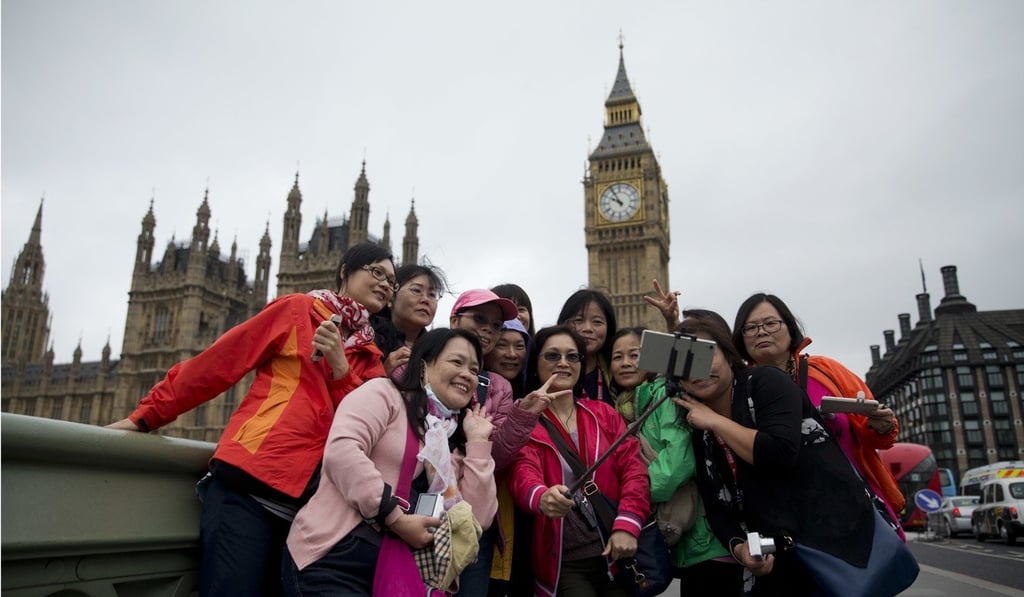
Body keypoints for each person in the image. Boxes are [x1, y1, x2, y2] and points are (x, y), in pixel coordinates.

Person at [106, 242, 395, 597]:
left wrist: (339, 367)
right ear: (344, 272)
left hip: (308, 514)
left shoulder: (371, 358)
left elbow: (366, 432)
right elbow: (218, 363)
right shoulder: (297, 311)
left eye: (391, 281)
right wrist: (145, 417)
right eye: (376, 272)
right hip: (249, 489)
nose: (384, 284)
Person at [282, 328, 498, 595]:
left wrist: (477, 443)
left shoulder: (453, 440)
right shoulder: (384, 394)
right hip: (336, 557)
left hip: (399, 574)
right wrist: (394, 517)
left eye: (474, 369)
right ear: (423, 367)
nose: (468, 374)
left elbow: (478, 518)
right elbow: (343, 450)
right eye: (456, 362)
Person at [675, 311, 877, 596]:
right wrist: (739, 546)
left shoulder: (764, 383)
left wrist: (716, 421)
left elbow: (780, 452)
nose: (696, 371)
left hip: (827, 540)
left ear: (727, 352)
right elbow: (714, 501)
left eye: (706, 355)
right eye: (686, 364)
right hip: (772, 556)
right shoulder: (697, 422)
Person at [732, 293, 905, 538]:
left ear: (790, 328)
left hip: (851, 507)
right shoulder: (737, 390)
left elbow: (880, 437)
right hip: (783, 519)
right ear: (741, 339)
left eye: (771, 323)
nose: (761, 332)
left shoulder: (827, 372)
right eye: (750, 327)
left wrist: (883, 425)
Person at [510, 325, 650, 597]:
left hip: (616, 550)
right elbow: (521, 473)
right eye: (552, 356)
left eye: (572, 356)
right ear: (535, 363)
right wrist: (541, 496)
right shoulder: (527, 421)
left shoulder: (604, 414)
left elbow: (634, 471)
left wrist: (627, 524)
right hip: (564, 562)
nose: (563, 363)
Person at [449, 289, 553, 595]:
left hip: (474, 515)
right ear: (454, 319)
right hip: (422, 507)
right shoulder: (420, 361)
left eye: (495, 325)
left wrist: (523, 414)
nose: (487, 330)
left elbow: (501, 457)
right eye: (480, 319)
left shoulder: (497, 386)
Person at [635, 312, 742, 596]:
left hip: (710, 541)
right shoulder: (646, 395)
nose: (629, 361)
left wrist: (632, 496)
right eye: (618, 355)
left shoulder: (673, 394)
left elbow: (678, 463)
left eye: (636, 352)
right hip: (694, 541)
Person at [373, 263, 449, 376]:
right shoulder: (367, 338)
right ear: (391, 298)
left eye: (432, 295)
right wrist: (383, 372)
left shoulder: (437, 350)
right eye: (417, 291)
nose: (425, 300)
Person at [557, 289, 618, 406]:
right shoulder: (551, 368)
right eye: (579, 320)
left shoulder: (619, 368)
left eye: (597, 322)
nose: (588, 328)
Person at [607, 326, 654, 422]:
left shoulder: (662, 397)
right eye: (617, 357)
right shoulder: (612, 409)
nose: (625, 363)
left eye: (634, 355)